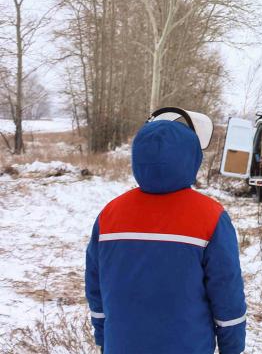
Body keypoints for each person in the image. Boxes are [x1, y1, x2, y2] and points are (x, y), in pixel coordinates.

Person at [85, 119, 246, 354]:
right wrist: (232, 347)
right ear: (192, 158)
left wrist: (103, 337)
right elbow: (226, 290)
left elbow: (95, 286)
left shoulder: (110, 215)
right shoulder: (211, 216)